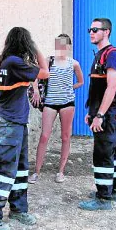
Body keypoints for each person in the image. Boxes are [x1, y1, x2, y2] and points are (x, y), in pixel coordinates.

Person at [0, 27, 49, 230]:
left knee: (19, 169)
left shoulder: (5, 61)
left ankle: (18, 209)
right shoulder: (16, 63)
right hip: (11, 122)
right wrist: (35, 47)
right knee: (5, 169)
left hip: (14, 121)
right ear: (25, 43)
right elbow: (45, 72)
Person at [78, 17, 116, 211]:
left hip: (107, 113)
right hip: (100, 112)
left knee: (103, 152)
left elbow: (112, 87)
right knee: (112, 149)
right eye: (90, 29)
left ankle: (103, 197)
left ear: (107, 32)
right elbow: (97, 88)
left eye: (96, 29)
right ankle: (113, 188)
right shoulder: (100, 55)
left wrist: (101, 115)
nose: (91, 32)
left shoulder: (112, 55)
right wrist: (92, 112)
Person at [28, 34, 84, 184]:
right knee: (44, 136)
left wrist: (70, 89)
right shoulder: (49, 60)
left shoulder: (74, 64)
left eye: (64, 45)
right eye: (59, 44)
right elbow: (35, 75)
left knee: (66, 137)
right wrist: (36, 90)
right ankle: (36, 172)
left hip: (67, 103)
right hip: (50, 103)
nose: (61, 48)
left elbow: (81, 81)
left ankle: (61, 172)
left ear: (68, 47)